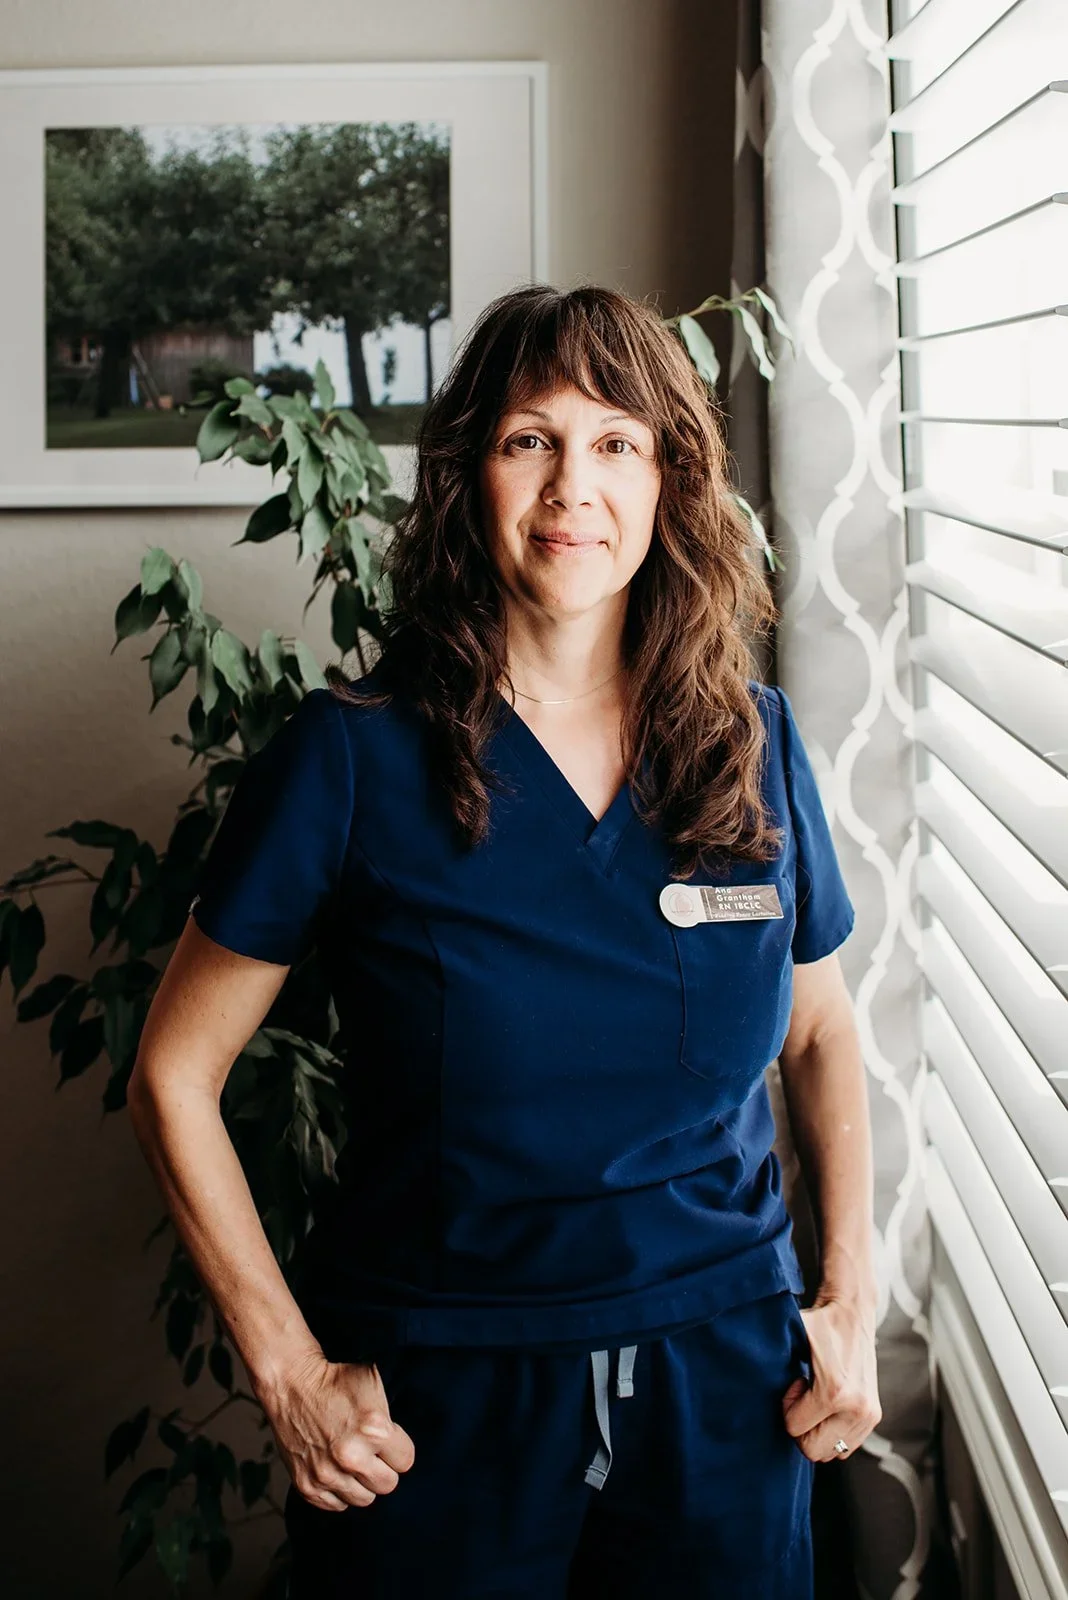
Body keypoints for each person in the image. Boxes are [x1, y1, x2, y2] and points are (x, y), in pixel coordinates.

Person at [128, 284, 881, 1599]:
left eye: (616, 444)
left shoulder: (755, 743)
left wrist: (852, 1300)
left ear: (670, 480)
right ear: (470, 475)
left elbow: (818, 1030)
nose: (571, 487)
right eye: (530, 440)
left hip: (728, 1384)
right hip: (443, 1400)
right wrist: (288, 1370)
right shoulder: (351, 757)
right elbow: (173, 1076)